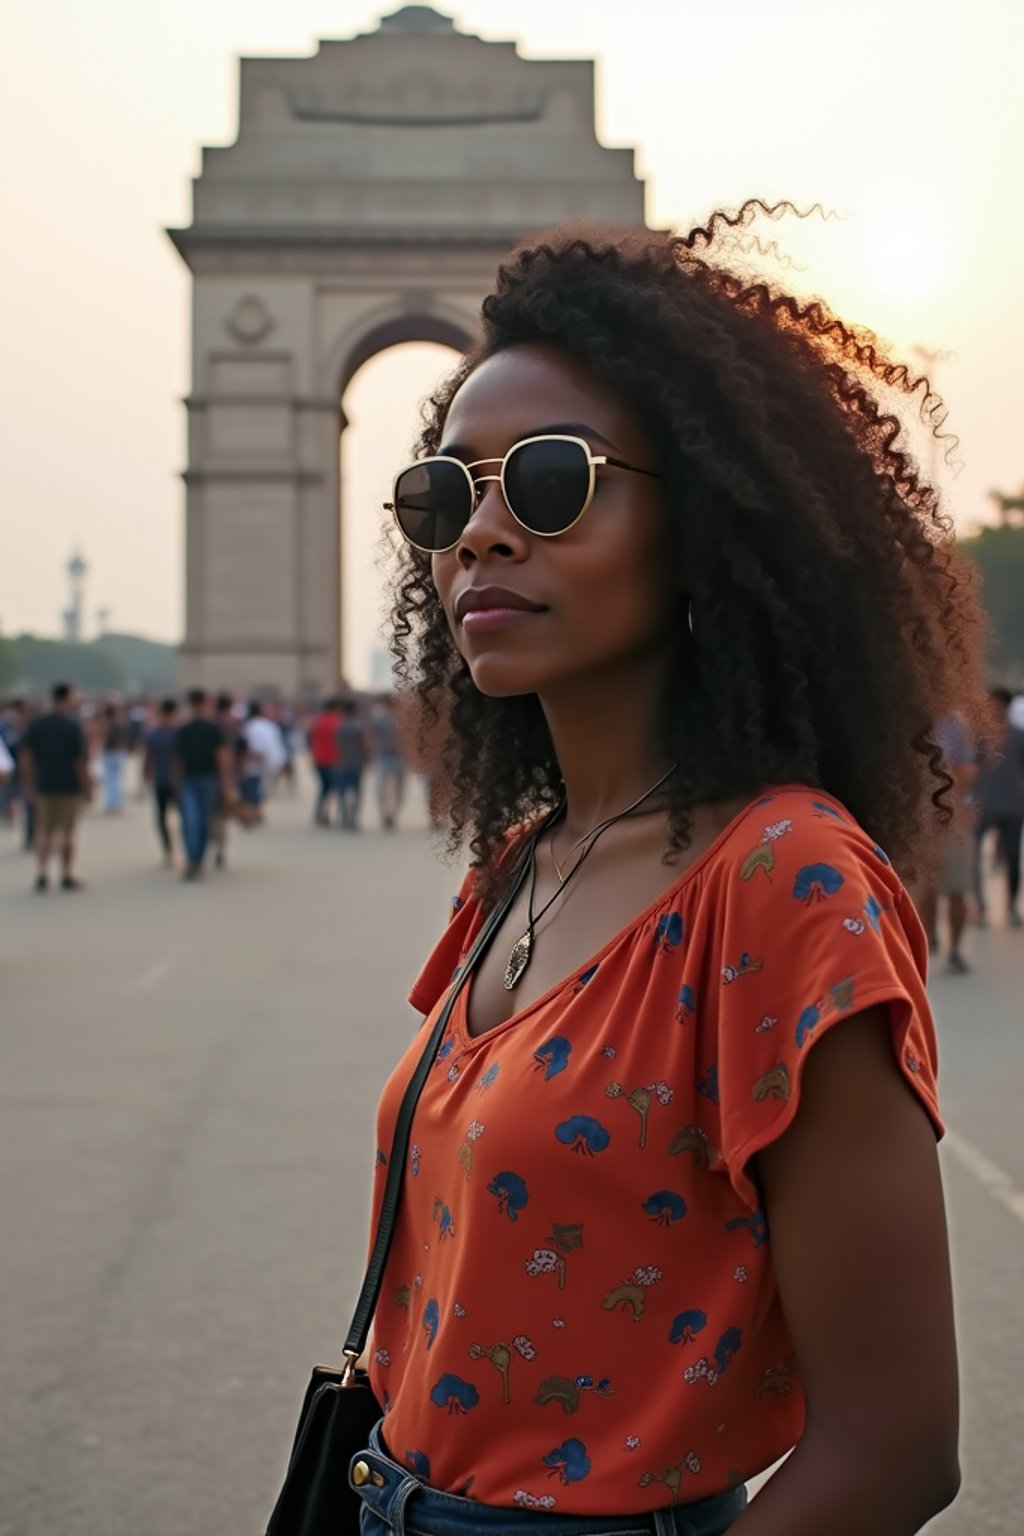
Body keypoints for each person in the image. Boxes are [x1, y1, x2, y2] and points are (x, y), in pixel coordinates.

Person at [343, 212, 988, 1536]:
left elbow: (897, 1446)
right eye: (447, 495)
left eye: (550, 483)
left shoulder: (788, 884)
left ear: (699, 526)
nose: (483, 537)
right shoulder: (519, 864)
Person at [917, 712, 977, 974]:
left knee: (956, 887)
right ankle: (929, 939)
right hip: (922, 816)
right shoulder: (910, 714)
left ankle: (953, 949)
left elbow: (966, 769)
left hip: (953, 817)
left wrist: (946, 805)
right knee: (926, 886)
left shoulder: (955, 722)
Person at [18, 682, 91, 892]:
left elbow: (26, 757)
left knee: (43, 830)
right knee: (67, 831)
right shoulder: (73, 726)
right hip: (69, 786)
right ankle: (66, 874)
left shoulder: (37, 724)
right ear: (68, 698)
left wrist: (27, 783)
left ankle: (42, 873)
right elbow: (79, 762)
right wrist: (87, 786)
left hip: (44, 784)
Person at [974, 687, 1024, 928]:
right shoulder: (980, 737)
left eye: (995, 704)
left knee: (1013, 856)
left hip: (1013, 804)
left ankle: (1011, 905)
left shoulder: (1019, 736)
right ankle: (981, 905)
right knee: (974, 854)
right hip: (983, 803)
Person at [173, 688, 236, 880]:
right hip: (193, 780)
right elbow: (179, 760)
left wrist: (225, 784)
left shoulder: (211, 730)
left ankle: (197, 859)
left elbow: (222, 758)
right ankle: (194, 859)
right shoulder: (186, 730)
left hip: (206, 779)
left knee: (200, 821)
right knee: (191, 821)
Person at [143, 697, 180, 867]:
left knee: (162, 818)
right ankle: (187, 851)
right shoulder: (180, 733)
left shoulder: (155, 734)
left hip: (161, 780)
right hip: (178, 782)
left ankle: (169, 852)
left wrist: (146, 777)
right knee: (186, 817)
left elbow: (148, 759)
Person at [238, 699, 286, 825]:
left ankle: (254, 812)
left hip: (255, 761)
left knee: (253, 788)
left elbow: (249, 747)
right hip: (270, 762)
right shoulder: (269, 725)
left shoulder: (249, 726)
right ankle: (258, 812)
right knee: (261, 788)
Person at [367, 694, 407, 830]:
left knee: (382, 789)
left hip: (385, 757)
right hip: (398, 758)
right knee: (399, 790)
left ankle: (386, 813)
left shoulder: (380, 719)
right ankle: (392, 813)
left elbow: (370, 738)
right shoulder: (403, 720)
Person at [309, 696, 343, 826]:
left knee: (324, 788)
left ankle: (320, 812)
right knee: (332, 788)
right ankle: (326, 813)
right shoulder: (337, 721)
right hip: (333, 760)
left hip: (319, 758)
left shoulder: (319, 721)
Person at [335, 698, 368, 831]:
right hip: (356, 763)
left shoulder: (339, 727)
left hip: (341, 763)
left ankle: (344, 816)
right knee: (357, 792)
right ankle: (353, 817)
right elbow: (365, 746)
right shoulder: (359, 727)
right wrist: (366, 759)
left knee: (342, 791)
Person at [100, 702, 131, 814]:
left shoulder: (109, 725)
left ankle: (113, 804)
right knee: (117, 780)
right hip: (120, 753)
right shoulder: (121, 723)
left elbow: (105, 740)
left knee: (111, 781)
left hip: (111, 753)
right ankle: (117, 803)